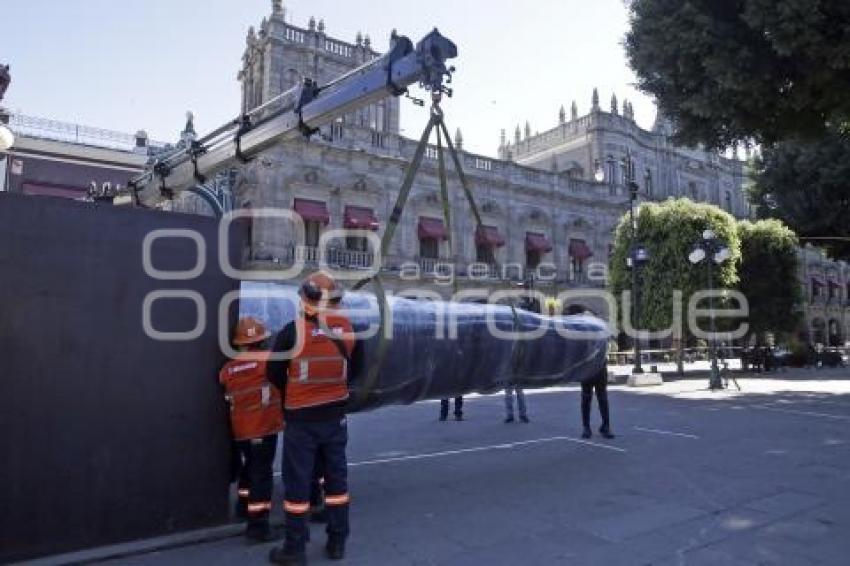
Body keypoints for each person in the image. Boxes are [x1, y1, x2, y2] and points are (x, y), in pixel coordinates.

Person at [267, 273, 357, 565]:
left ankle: (295, 548)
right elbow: (356, 370)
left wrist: (296, 394)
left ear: (306, 300)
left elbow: (274, 374)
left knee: (297, 484)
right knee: (336, 481)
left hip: (301, 420)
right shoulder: (349, 332)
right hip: (335, 417)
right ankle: (338, 542)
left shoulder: (291, 332)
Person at [219, 316, 283, 543]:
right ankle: (258, 525)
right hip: (264, 428)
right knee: (261, 475)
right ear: (263, 340)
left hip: (241, 431)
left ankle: (243, 505)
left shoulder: (228, 369)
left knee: (250, 467)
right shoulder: (268, 361)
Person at [580, 367, 614, 439]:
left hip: (600, 365)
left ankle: (605, 426)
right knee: (586, 397)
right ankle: (586, 427)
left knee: (603, 397)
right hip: (586, 366)